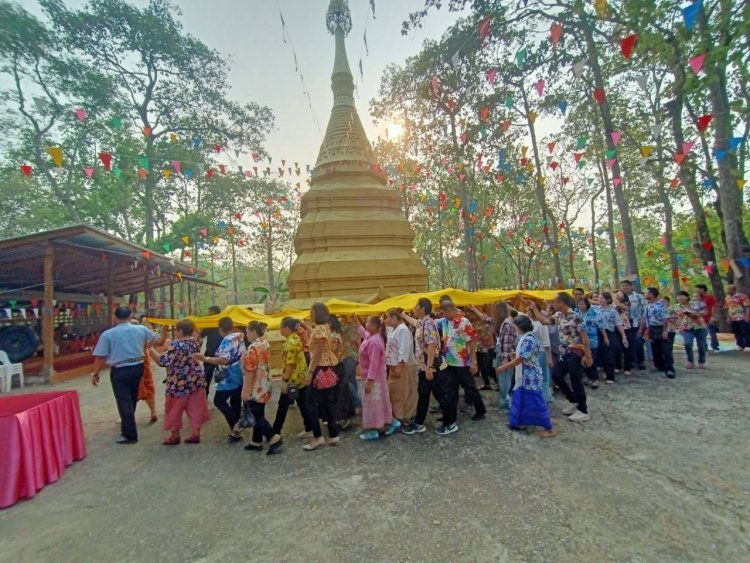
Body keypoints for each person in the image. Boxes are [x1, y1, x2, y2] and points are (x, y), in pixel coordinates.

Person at [91, 306, 159, 444]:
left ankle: (130, 434)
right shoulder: (140, 329)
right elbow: (157, 338)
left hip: (120, 369)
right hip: (137, 366)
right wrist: (146, 346)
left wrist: (95, 373)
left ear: (115, 318)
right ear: (131, 316)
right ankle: (128, 426)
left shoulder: (108, 334)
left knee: (124, 400)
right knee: (131, 398)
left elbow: (100, 356)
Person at [528, 293, 593, 423]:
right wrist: (534, 308)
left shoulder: (576, 316)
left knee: (576, 380)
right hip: (564, 352)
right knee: (557, 375)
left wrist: (588, 355)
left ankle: (583, 410)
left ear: (562, 302)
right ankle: (573, 400)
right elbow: (544, 321)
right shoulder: (558, 315)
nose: (553, 304)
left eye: (555, 301)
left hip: (576, 351)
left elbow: (584, 337)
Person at [147, 320, 209, 445]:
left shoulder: (176, 345)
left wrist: (150, 349)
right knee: (196, 406)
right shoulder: (197, 341)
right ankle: (195, 433)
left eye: (176, 330)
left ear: (180, 331)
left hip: (178, 382)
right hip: (195, 379)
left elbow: (162, 361)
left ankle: (175, 435)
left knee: (174, 408)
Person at [495, 315, 556, 438]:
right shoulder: (528, 337)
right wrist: (515, 353)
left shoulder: (528, 339)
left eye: (516, 326)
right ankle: (519, 422)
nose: (515, 329)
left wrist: (505, 367)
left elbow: (521, 358)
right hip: (526, 375)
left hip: (530, 376)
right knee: (521, 399)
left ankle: (549, 428)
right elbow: (523, 354)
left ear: (520, 327)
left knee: (535, 401)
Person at [434, 301, 485, 435]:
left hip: (462, 362)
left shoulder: (464, 322)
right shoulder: (444, 322)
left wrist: (474, 362)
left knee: (469, 387)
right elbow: (428, 324)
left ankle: (480, 410)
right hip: (449, 362)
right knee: (451, 391)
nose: (443, 315)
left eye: (444, 312)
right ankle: (450, 416)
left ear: (450, 310)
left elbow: (472, 341)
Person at [192, 317, 245, 442]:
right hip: (239, 371)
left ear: (220, 329)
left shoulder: (226, 341)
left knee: (219, 401)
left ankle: (236, 426)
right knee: (235, 401)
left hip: (229, 375)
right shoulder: (239, 335)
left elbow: (224, 359)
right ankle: (235, 431)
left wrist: (205, 359)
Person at [241, 321, 283, 454]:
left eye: (247, 331)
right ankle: (256, 440)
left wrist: (246, 390)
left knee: (255, 413)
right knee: (259, 411)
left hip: (256, 385)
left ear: (253, 332)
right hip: (265, 382)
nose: (245, 334)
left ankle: (273, 437)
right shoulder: (264, 343)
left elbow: (249, 371)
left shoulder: (253, 348)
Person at [303, 303, 340, 451]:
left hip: (319, 368)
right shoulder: (324, 327)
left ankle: (317, 437)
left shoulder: (319, 329)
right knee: (328, 402)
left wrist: (310, 372)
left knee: (310, 403)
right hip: (329, 367)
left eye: (311, 312)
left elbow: (317, 353)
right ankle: (333, 434)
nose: (310, 314)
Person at [401, 298, 439, 435]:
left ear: (423, 308)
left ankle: (421, 423)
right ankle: (419, 421)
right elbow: (416, 324)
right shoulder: (423, 322)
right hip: (424, 366)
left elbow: (432, 345)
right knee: (427, 393)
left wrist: (429, 367)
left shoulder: (428, 323)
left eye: (416, 306)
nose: (414, 308)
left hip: (429, 367)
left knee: (429, 393)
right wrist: (404, 315)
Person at [358, 315, 399, 440]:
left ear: (375, 326)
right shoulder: (372, 337)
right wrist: (355, 321)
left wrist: (370, 381)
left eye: (368, 323)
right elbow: (364, 333)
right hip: (375, 377)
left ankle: (375, 428)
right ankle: (391, 421)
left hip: (374, 378)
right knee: (380, 402)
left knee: (373, 403)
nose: (366, 325)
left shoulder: (374, 342)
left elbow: (374, 363)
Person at [272, 317, 311, 438]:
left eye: (281, 327)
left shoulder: (291, 342)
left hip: (292, 379)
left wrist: (284, 380)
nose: (280, 329)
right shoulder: (295, 339)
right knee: (302, 404)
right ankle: (309, 427)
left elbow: (290, 363)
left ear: (287, 328)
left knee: (282, 406)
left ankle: (275, 432)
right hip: (299, 377)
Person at [385, 308, 418, 422]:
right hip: (393, 365)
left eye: (387, 317)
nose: (386, 320)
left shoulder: (402, 330)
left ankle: (407, 416)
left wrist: (400, 365)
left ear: (394, 318)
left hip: (403, 366)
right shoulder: (393, 329)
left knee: (406, 392)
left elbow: (404, 349)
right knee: (396, 392)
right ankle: (399, 415)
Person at [641, 287, 676, 378]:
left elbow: (666, 318)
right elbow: (645, 318)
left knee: (665, 349)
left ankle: (669, 369)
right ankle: (659, 366)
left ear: (651, 294)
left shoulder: (661, 305)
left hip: (662, 328)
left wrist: (665, 331)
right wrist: (642, 330)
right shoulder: (648, 305)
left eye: (646, 293)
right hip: (652, 328)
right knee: (655, 348)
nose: (645, 294)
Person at [329, 315, 355, 427]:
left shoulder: (335, 336)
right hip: (338, 365)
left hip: (338, 365)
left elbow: (331, 353)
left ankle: (347, 414)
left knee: (342, 391)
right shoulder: (334, 334)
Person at [136, 316, 163, 424]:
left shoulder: (140, 335)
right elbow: (159, 341)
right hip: (143, 365)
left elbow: (159, 341)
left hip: (136, 366)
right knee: (147, 389)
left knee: (129, 392)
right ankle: (153, 412)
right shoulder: (142, 334)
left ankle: (127, 415)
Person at [598, 292, 628, 383]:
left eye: (602, 298)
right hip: (597, 333)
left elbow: (618, 324)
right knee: (601, 354)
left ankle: (610, 376)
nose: (600, 300)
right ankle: (605, 371)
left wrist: (623, 336)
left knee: (609, 354)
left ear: (607, 300)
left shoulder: (612, 311)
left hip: (609, 332)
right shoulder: (595, 309)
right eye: (599, 298)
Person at [674, 291, 708, 369]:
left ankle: (701, 361)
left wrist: (695, 314)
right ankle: (690, 361)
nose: (680, 298)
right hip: (686, 328)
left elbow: (705, 311)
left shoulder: (696, 304)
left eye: (681, 296)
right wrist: (677, 326)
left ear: (687, 297)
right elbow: (675, 317)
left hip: (699, 327)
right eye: (678, 296)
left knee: (701, 345)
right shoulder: (676, 307)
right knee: (688, 344)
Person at [494, 301, 517, 412]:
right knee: (503, 380)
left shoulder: (507, 324)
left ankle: (507, 404)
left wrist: (505, 360)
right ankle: (505, 402)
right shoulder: (504, 323)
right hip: (502, 354)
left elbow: (507, 344)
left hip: (505, 356)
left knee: (505, 381)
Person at [468, 305, 496, 390]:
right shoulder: (473, 322)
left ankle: (497, 382)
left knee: (488, 366)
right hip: (478, 347)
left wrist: (474, 309)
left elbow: (485, 331)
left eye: (471, 314)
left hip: (487, 346)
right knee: (481, 366)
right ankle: (486, 384)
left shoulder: (484, 318)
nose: (469, 315)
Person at [620, 280, 646, 371]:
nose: (624, 287)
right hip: (623, 324)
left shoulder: (639, 297)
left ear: (631, 286)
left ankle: (640, 361)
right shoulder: (620, 297)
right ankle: (630, 361)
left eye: (626, 285)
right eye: (622, 286)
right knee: (627, 343)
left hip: (636, 323)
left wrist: (642, 326)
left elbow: (644, 312)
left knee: (638, 342)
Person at [578, 298, 605, 386]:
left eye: (583, 304)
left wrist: (605, 337)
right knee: (582, 360)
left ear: (587, 305)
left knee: (591, 359)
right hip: (579, 342)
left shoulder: (594, 313)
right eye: (579, 304)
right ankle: (587, 377)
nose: (581, 306)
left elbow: (601, 326)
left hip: (592, 341)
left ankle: (594, 378)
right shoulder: (575, 314)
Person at [339, 316, 363, 412]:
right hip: (348, 356)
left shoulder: (351, 326)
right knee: (351, 379)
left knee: (349, 380)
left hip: (350, 356)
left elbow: (352, 340)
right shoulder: (349, 325)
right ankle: (354, 403)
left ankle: (356, 403)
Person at [200, 305, 223, 395]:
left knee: (219, 373)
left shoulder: (219, 323)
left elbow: (202, 334)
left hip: (219, 353)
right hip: (213, 352)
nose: (208, 314)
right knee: (208, 374)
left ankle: (219, 392)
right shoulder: (209, 323)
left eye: (210, 312)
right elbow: (202, 334)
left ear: (214, 312)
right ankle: (206, 392)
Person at [695, 285, 720, 353]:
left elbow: (713, 307)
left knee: (712, 333)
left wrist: (712, 317)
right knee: (701, 334)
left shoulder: (710, 297)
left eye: (697, 289)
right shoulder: (698, 298)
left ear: (702, 289)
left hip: (708, 318)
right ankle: (703, 347)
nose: (696, 291)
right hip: (700, 319)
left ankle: (715, 347)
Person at [725, 284, 750, 351]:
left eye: (728, 289)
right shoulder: (727, 297)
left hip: (742, 317)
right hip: (733, 318)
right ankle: (740, 345)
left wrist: (747, 316)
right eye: (727, 289)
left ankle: (748, 345)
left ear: (734, 289)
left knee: (745, 331)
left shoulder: (742, 296)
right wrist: (728, 317)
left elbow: (747, 307)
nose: (727, 291)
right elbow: (728, 308)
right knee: (736, 331)